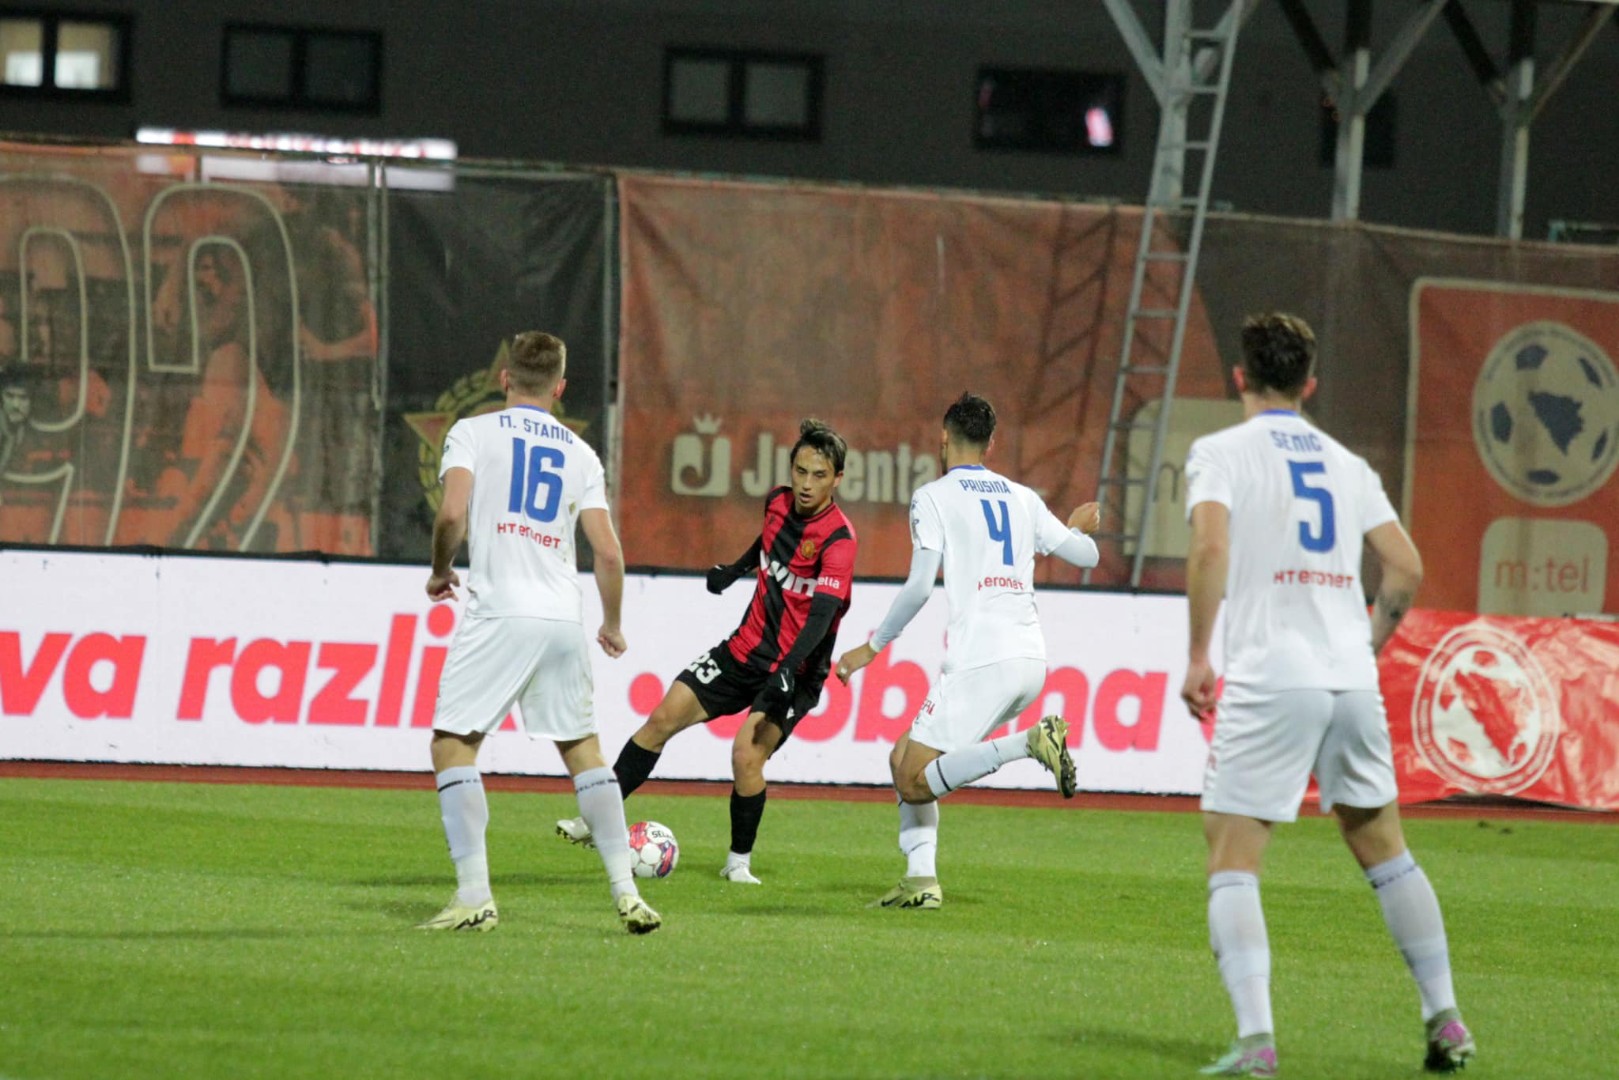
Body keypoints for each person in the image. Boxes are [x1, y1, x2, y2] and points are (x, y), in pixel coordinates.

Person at [1181, 313, 1474, 1076]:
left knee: (1231, 855)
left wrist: (1196, 654)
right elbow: (1403, 568)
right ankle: (1444, 1017)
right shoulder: (1346, 464)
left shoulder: (1220, 452)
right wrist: (1366, 645)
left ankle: (1256, 1042)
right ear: (1309, 384)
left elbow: (1211, 547)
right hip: (1348, 677)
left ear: (1239, 377)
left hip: (1272, 675)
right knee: (1384, 849)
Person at [418, 330, 660, 935]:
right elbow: (607, 552)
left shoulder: (472, 433)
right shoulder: (580, 454)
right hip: (560, 617)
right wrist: (611, 623)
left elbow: (451, 513)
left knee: (453, 746)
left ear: (504, 378)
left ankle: (474, 895)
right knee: (584, 753)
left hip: (502, 611)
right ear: (560, 387)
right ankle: (627, 893)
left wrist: (441, 571)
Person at [557, 419, 857, 885]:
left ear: (837, 479)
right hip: (743, 650)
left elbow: (821, 617)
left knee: (745, 755)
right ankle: (598, 821)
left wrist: (789, 671)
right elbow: (768, 542)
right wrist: (735, 570)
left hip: (794, 670)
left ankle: (738, 863)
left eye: (819, 476)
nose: (805, 484)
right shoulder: (777, 501)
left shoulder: (839, 540)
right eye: (800, 471)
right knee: (662, 718)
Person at [835, 392, 1101, 909]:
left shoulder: (933, 497)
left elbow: (917, 587)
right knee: (902, 759)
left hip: (981, 659)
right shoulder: (1022, 497)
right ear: (991, 443)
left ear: (942, 436)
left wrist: (872, 647)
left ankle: (1028, 745)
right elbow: (1086, 555)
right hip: (1029, 659)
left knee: (914, 782)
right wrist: (1071, 527)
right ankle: (919, 882)